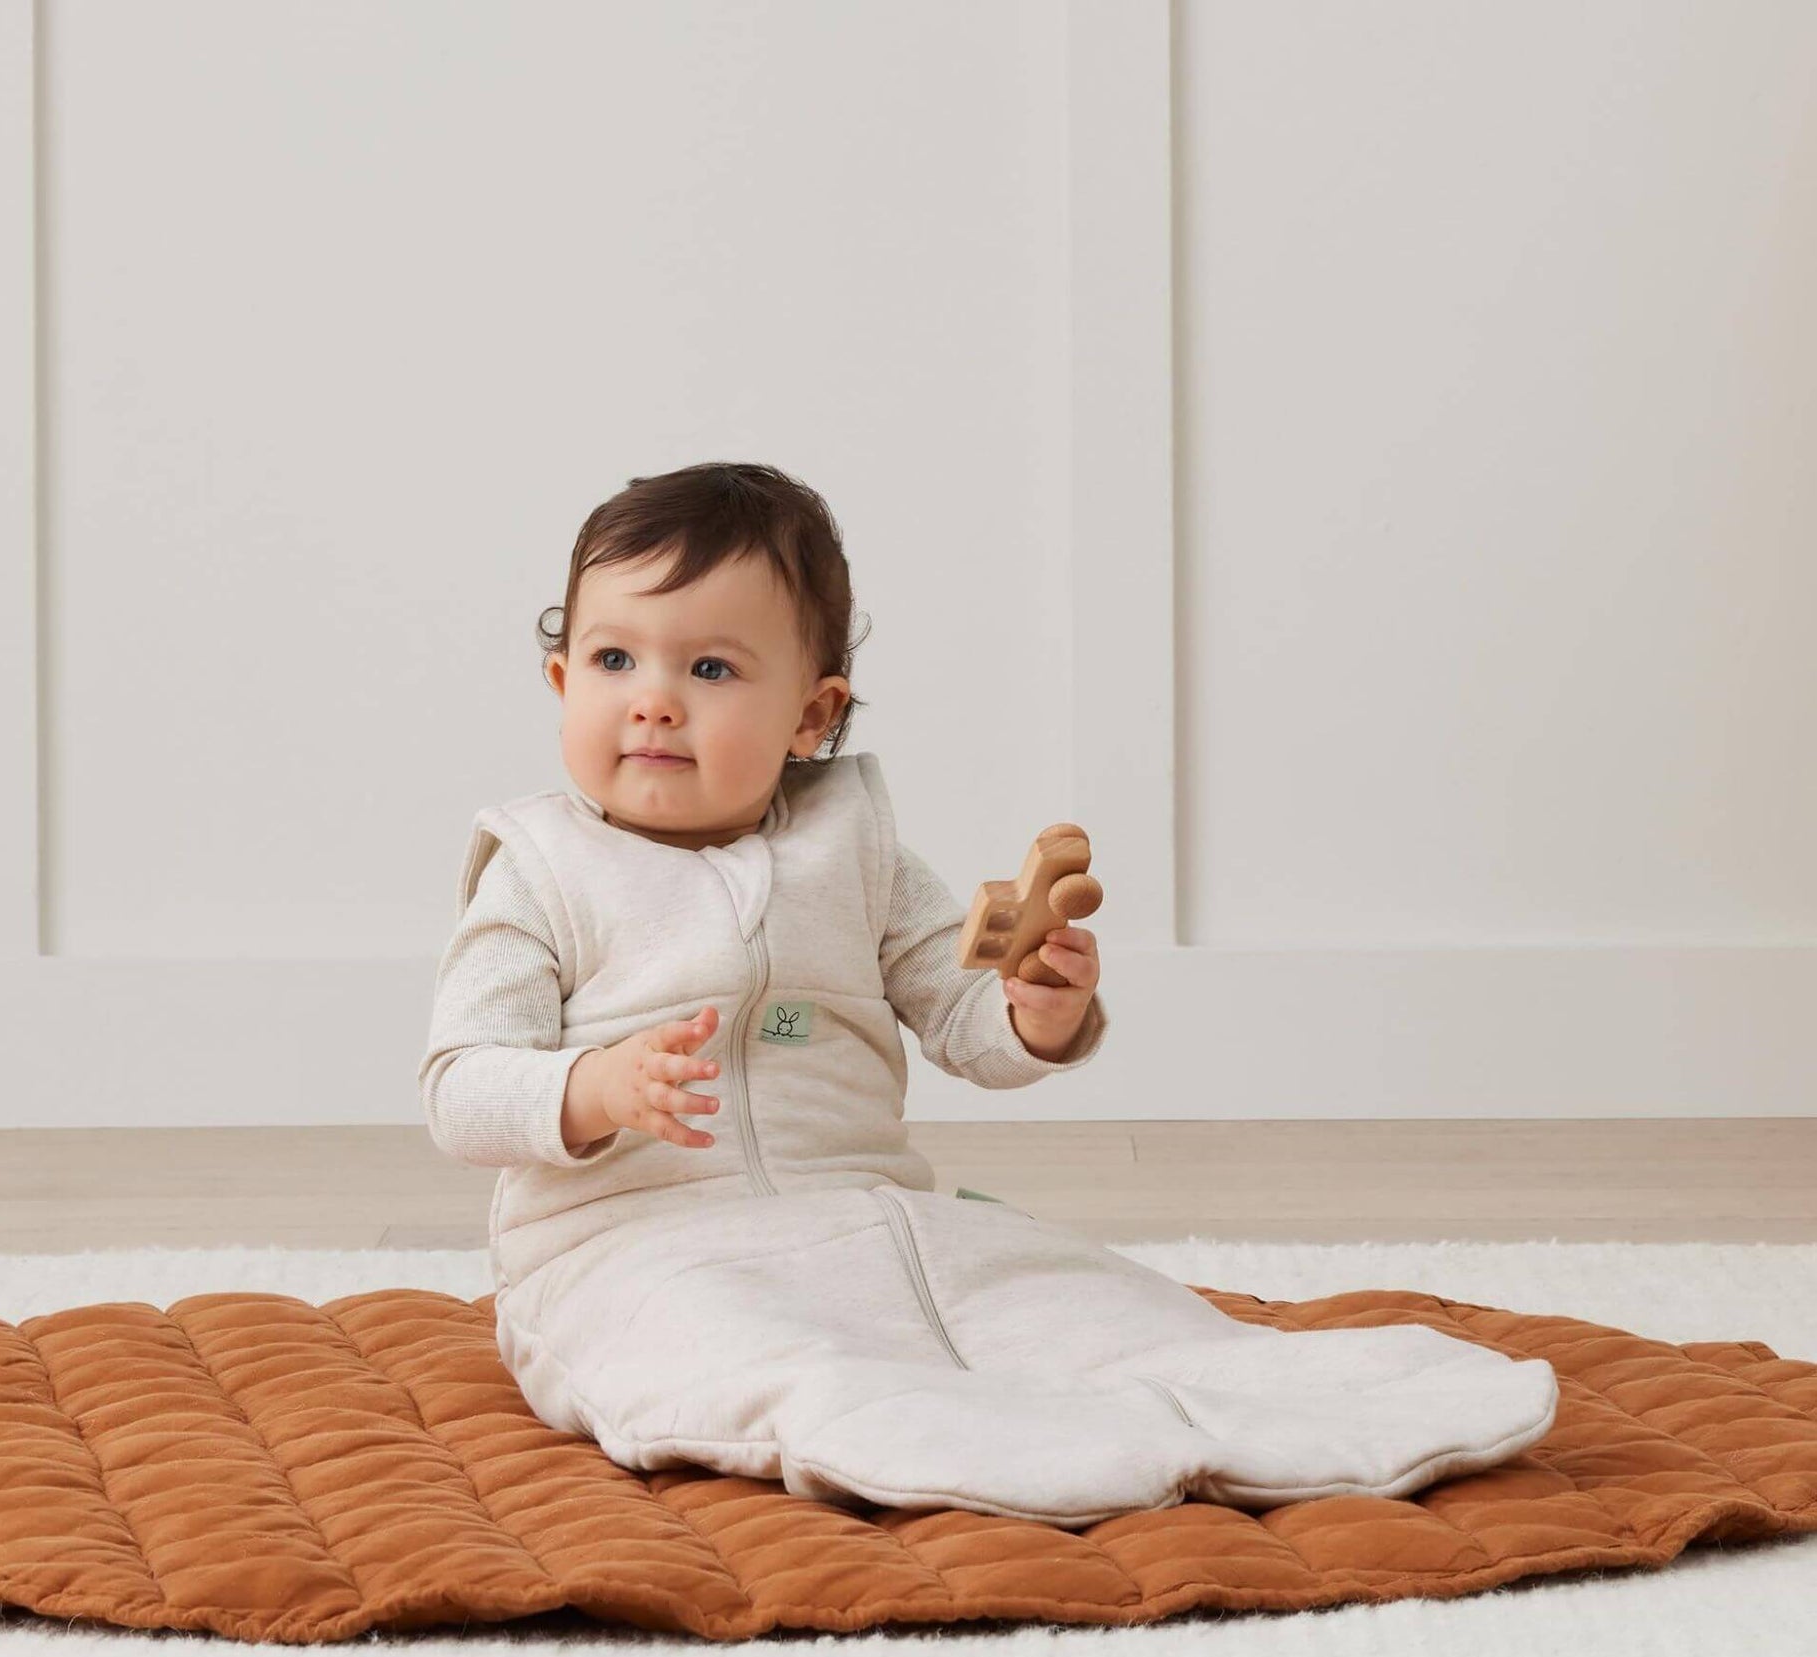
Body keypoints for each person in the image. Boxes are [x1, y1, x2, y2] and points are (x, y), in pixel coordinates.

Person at [418, 461, 1558, 1527]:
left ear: (812, 717)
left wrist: (1036, 1012)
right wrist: (591, 1087)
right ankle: (928, 1432)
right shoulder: (537, 869)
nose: (653, 701)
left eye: (709, 668)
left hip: (870, 1215)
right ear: (563, 681)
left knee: (1054, 1288)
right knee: (735, 1347)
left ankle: (1267, 1392)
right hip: (630, 1248)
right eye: (615, 661)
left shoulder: (850, 841)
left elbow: (963, 1024)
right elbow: (461, 1089)